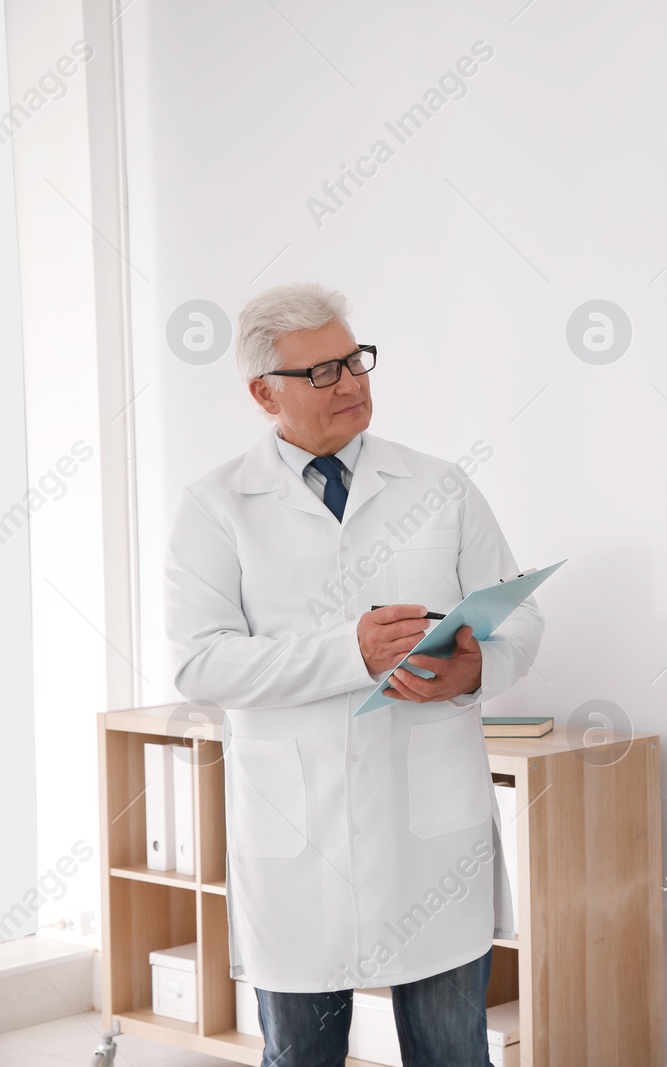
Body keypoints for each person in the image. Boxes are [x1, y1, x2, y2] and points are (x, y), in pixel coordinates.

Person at [164, 282, 543, 1067]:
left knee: (453, 1055)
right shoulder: (215, 506)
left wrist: (474, 669)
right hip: (297, 841)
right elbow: (198, 660)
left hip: (430, 838)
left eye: (354, 360)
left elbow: (519, 621)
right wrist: (350, 653)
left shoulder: (441, 486)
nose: (352, 383)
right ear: (263, 392)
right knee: (303, 1057)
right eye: (322, 373)